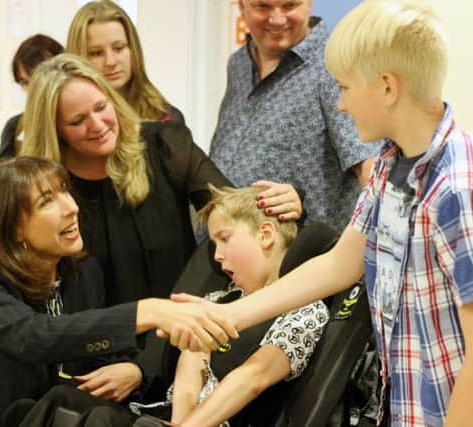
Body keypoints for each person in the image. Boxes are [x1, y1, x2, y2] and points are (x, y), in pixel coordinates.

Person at [174, 1, 473, 426]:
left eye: (343, 88)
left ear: (386, 87)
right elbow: (338, 265)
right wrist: (226, 315)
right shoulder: (389, 168)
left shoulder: (462, 188)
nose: (340, 105)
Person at [18, 53, 302, 401]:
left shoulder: (165, 145)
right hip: (89, 363)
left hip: (174, 349)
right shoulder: (46, 193)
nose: (98, 124)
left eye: (101, 106)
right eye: (78, 120)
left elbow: (233, 212)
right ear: (55, 131)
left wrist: (286, 200)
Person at [0, 156, 236, 427]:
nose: (71, 207)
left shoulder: (83, 271)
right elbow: (32, 337)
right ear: (14, 228)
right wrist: (149, 311)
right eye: (46, 202)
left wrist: (133, 370)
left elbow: (96, 350)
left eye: (65, 191)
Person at [18, 184, 331, 427]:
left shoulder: (304, 309)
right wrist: (180, 420)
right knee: (62, 399)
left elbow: (251, 379)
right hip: (172, 416)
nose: (217, 256)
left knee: (103, 421)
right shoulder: (219, 301)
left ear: (265, 235)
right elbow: (190, 368)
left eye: (224, 239)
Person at [210, 0, 379, 231]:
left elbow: (371, 170)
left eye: (289, 6)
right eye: (263, 6)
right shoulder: (238, 64)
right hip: (228, 251)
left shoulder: (334, 64)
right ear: (241, 6)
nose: (277, 19)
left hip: (305, 256)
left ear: (309, 3)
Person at [66, 0, 184, 124]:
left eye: (118, 48)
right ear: (79, 57)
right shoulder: (66, 121)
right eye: (96, 53)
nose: (110, 62)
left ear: (133, 49)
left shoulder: (165, 117)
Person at [0, 34, 64, 160]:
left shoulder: (86, 121)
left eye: (39, 79)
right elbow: (2, 178)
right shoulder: (16, 127)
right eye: (25, 82)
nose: (33, 90)